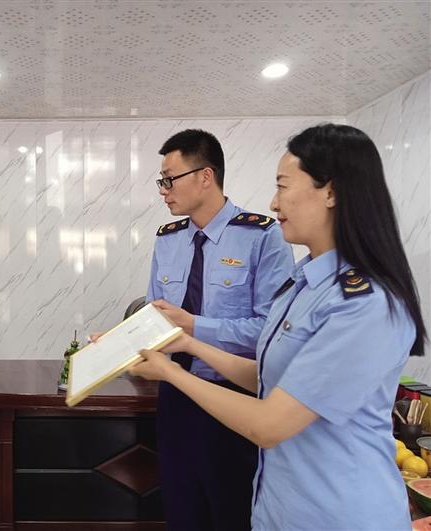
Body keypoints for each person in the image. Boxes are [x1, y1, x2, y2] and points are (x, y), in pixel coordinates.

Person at [131, 124, 426, 530]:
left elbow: (269, 424)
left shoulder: (366, 303)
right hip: (278, 506)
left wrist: (171, 370)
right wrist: (186, 344)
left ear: (331, 191)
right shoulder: (302, 283)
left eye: (283, 186)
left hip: (337, 513)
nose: (273, 201)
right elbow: (268, 375)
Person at [146, 128, 293, 530]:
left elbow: (270, 333)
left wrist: (194, 327)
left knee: (232, 513)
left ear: (205, 176)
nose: (163, 191)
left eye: (169, 179)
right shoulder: (167, 240)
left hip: (234, 399)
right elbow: (153, 319)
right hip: (175, 397)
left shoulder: (262, 236)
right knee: (182, 512)